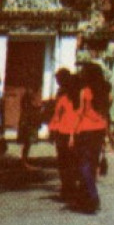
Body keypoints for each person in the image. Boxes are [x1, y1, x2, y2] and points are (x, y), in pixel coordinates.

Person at [70, 61, 111, 214]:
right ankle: (87, 198)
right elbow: (105, 113)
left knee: (84, 165)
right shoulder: (105, 92)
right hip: (99, 130)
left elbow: (80, 113)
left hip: (86, 131)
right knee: (92, 164)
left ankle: (93, 196)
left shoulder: (85, 91)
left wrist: (73, 134)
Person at [48, 68, 78, 205]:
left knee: (66, 163)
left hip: (66, 133)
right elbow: (57, 115)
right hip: (67, 132)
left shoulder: (67, 97)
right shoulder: (68, 96)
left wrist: (52, 131)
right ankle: (68, 188)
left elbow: (61, 116)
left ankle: (68, 189)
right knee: (67, 163)